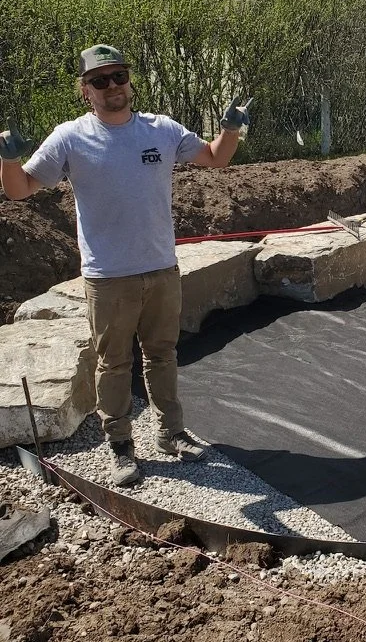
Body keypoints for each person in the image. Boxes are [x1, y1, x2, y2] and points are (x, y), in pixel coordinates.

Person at [0, 44, 252, 487]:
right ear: (85, 91)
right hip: (107, 277)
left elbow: (215, 158)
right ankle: (119, 445)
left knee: (162, 355)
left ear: (129, 81)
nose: (112, 86)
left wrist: (229, 130)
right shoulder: (69, 138)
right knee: (113, 365)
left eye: (118, 76)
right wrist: (7, 159)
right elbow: (20, 191)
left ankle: (171, 434)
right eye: (100, 80)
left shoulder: (161, 129)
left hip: (161, 269)